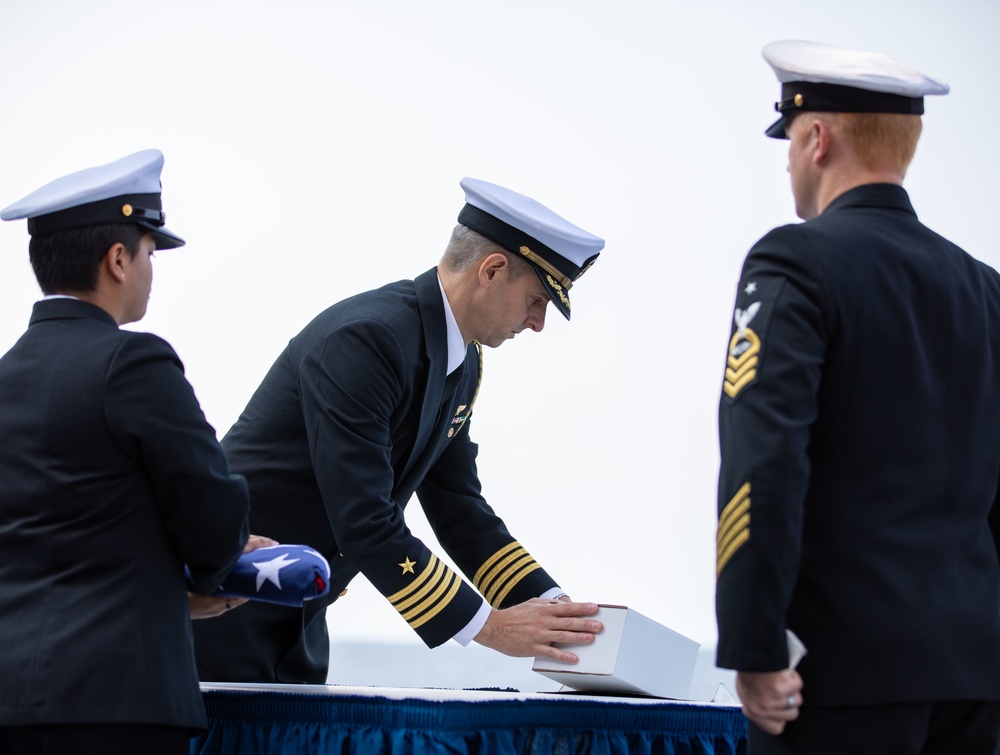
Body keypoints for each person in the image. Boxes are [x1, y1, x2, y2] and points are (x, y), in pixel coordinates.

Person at [193, 177, 605, 684]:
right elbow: (364, 519)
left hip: (297, 623)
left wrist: (555, 608)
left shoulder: (463, 362)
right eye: (537, 300)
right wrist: (490, 628)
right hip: (212, 618)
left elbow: (458, 506)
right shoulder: (368, 339)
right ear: (492, 270)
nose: (538, 323)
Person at [714, 39, 1000, 753]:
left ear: (817, 138)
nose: (786, 161)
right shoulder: (985, 288)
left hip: (839, 674)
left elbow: (764, 456)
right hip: (972, 674)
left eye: (789, 139)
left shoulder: (795, 260)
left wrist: (755, 643)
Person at [0, 150, 254, 754]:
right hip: (116, 704)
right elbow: (212, 516)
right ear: (118, 259)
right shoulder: (133, 362)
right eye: (148, 254)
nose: (148, 271)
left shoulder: (6, 377)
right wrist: (217, 569)